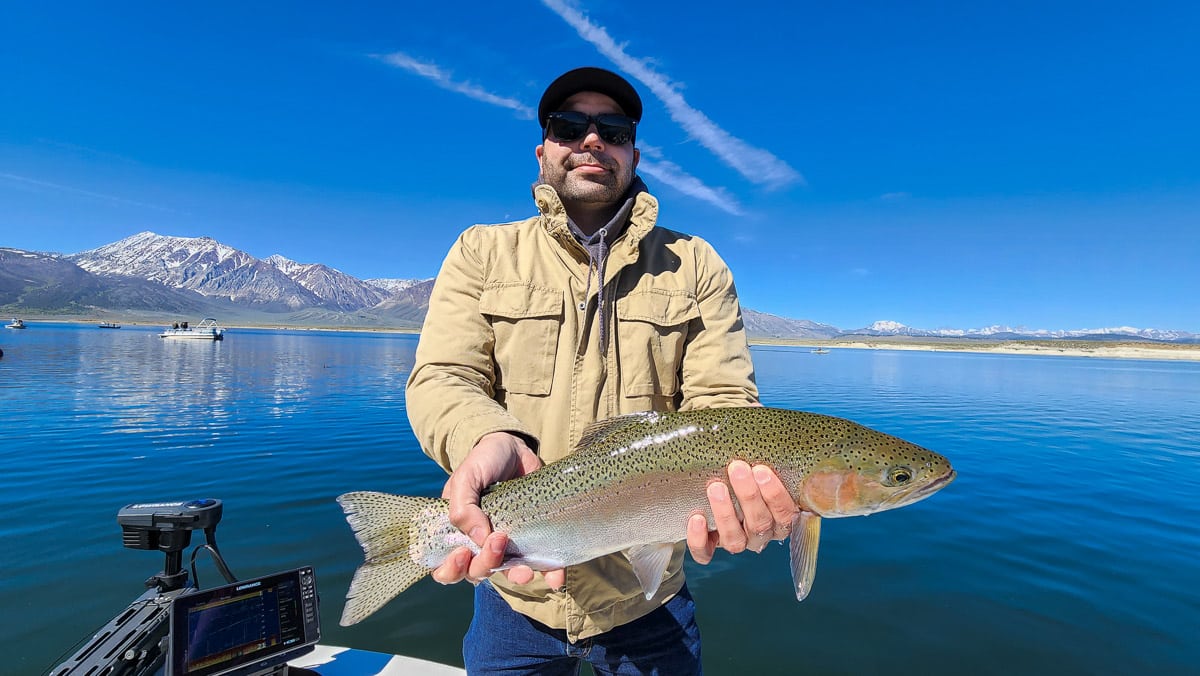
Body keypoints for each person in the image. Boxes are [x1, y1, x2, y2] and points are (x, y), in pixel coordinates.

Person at [405, 66, 797, 675]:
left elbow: (722, 400)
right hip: (515, 588)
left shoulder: (695, 264)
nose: (593, 140)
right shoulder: (481, 252)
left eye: (612, 129)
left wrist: (747, 485)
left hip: (650, 602)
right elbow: (443, 377)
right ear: (543, 151)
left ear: (633, 153)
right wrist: (486, 439)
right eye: (570, 126)